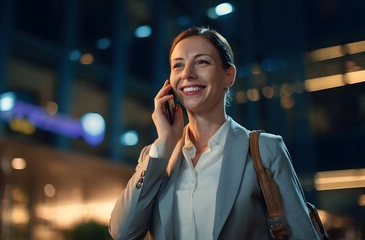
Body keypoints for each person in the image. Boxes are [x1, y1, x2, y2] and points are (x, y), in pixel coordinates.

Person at [109, 26, 320, 240]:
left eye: (202, 62)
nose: (187, 74)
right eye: (178, 65)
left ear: (229, 76)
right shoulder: (155, 156)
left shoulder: (265, 149)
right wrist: (164, 144)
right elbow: (123, 234)